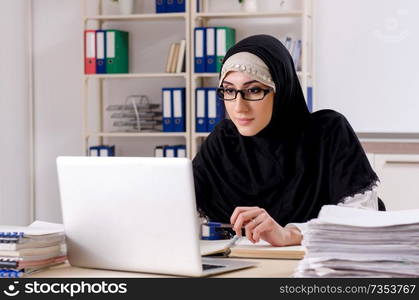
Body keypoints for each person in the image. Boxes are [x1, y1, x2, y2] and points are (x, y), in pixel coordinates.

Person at [192, 34, 384, 247]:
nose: (238, 107)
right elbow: (178, 202)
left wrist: (292, 234)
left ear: (281, 90)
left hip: (319, 269)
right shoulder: (224, 140)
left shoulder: (328, 132)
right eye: (229, 90)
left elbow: (363, 219)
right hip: (250, 267)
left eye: (254, 90)